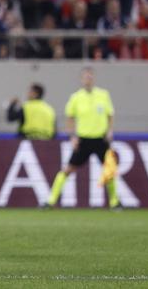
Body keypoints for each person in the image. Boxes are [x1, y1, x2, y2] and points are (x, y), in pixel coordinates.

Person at [45, 67, 120, 209]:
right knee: (67, 170)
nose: (88, 80)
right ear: (81, 79)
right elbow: (70, 118)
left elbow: (110, 115)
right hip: (83, 140)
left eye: (90, 77)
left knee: (109, 171)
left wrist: (110, 131)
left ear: (94, 78)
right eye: (85, 77)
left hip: (100, 139)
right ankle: (50, 201)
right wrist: (72, 137)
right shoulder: (76, 97)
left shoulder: (103, 95)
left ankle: (115, 202)